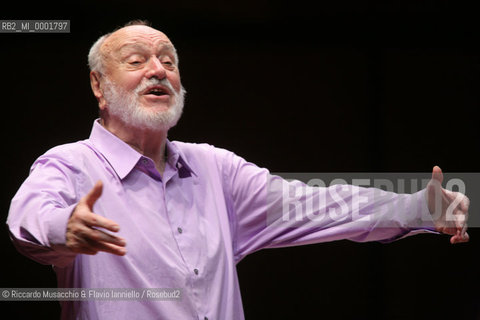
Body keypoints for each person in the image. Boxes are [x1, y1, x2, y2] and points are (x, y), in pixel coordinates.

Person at [7, 20, 469, 320]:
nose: (158, 70)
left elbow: (323, 204)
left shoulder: (216, 169)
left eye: (169, 62)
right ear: (99, 85)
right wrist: (63, 228)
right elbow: (28, 216)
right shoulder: (71, 163)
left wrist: (419, 206)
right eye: (136, 61)